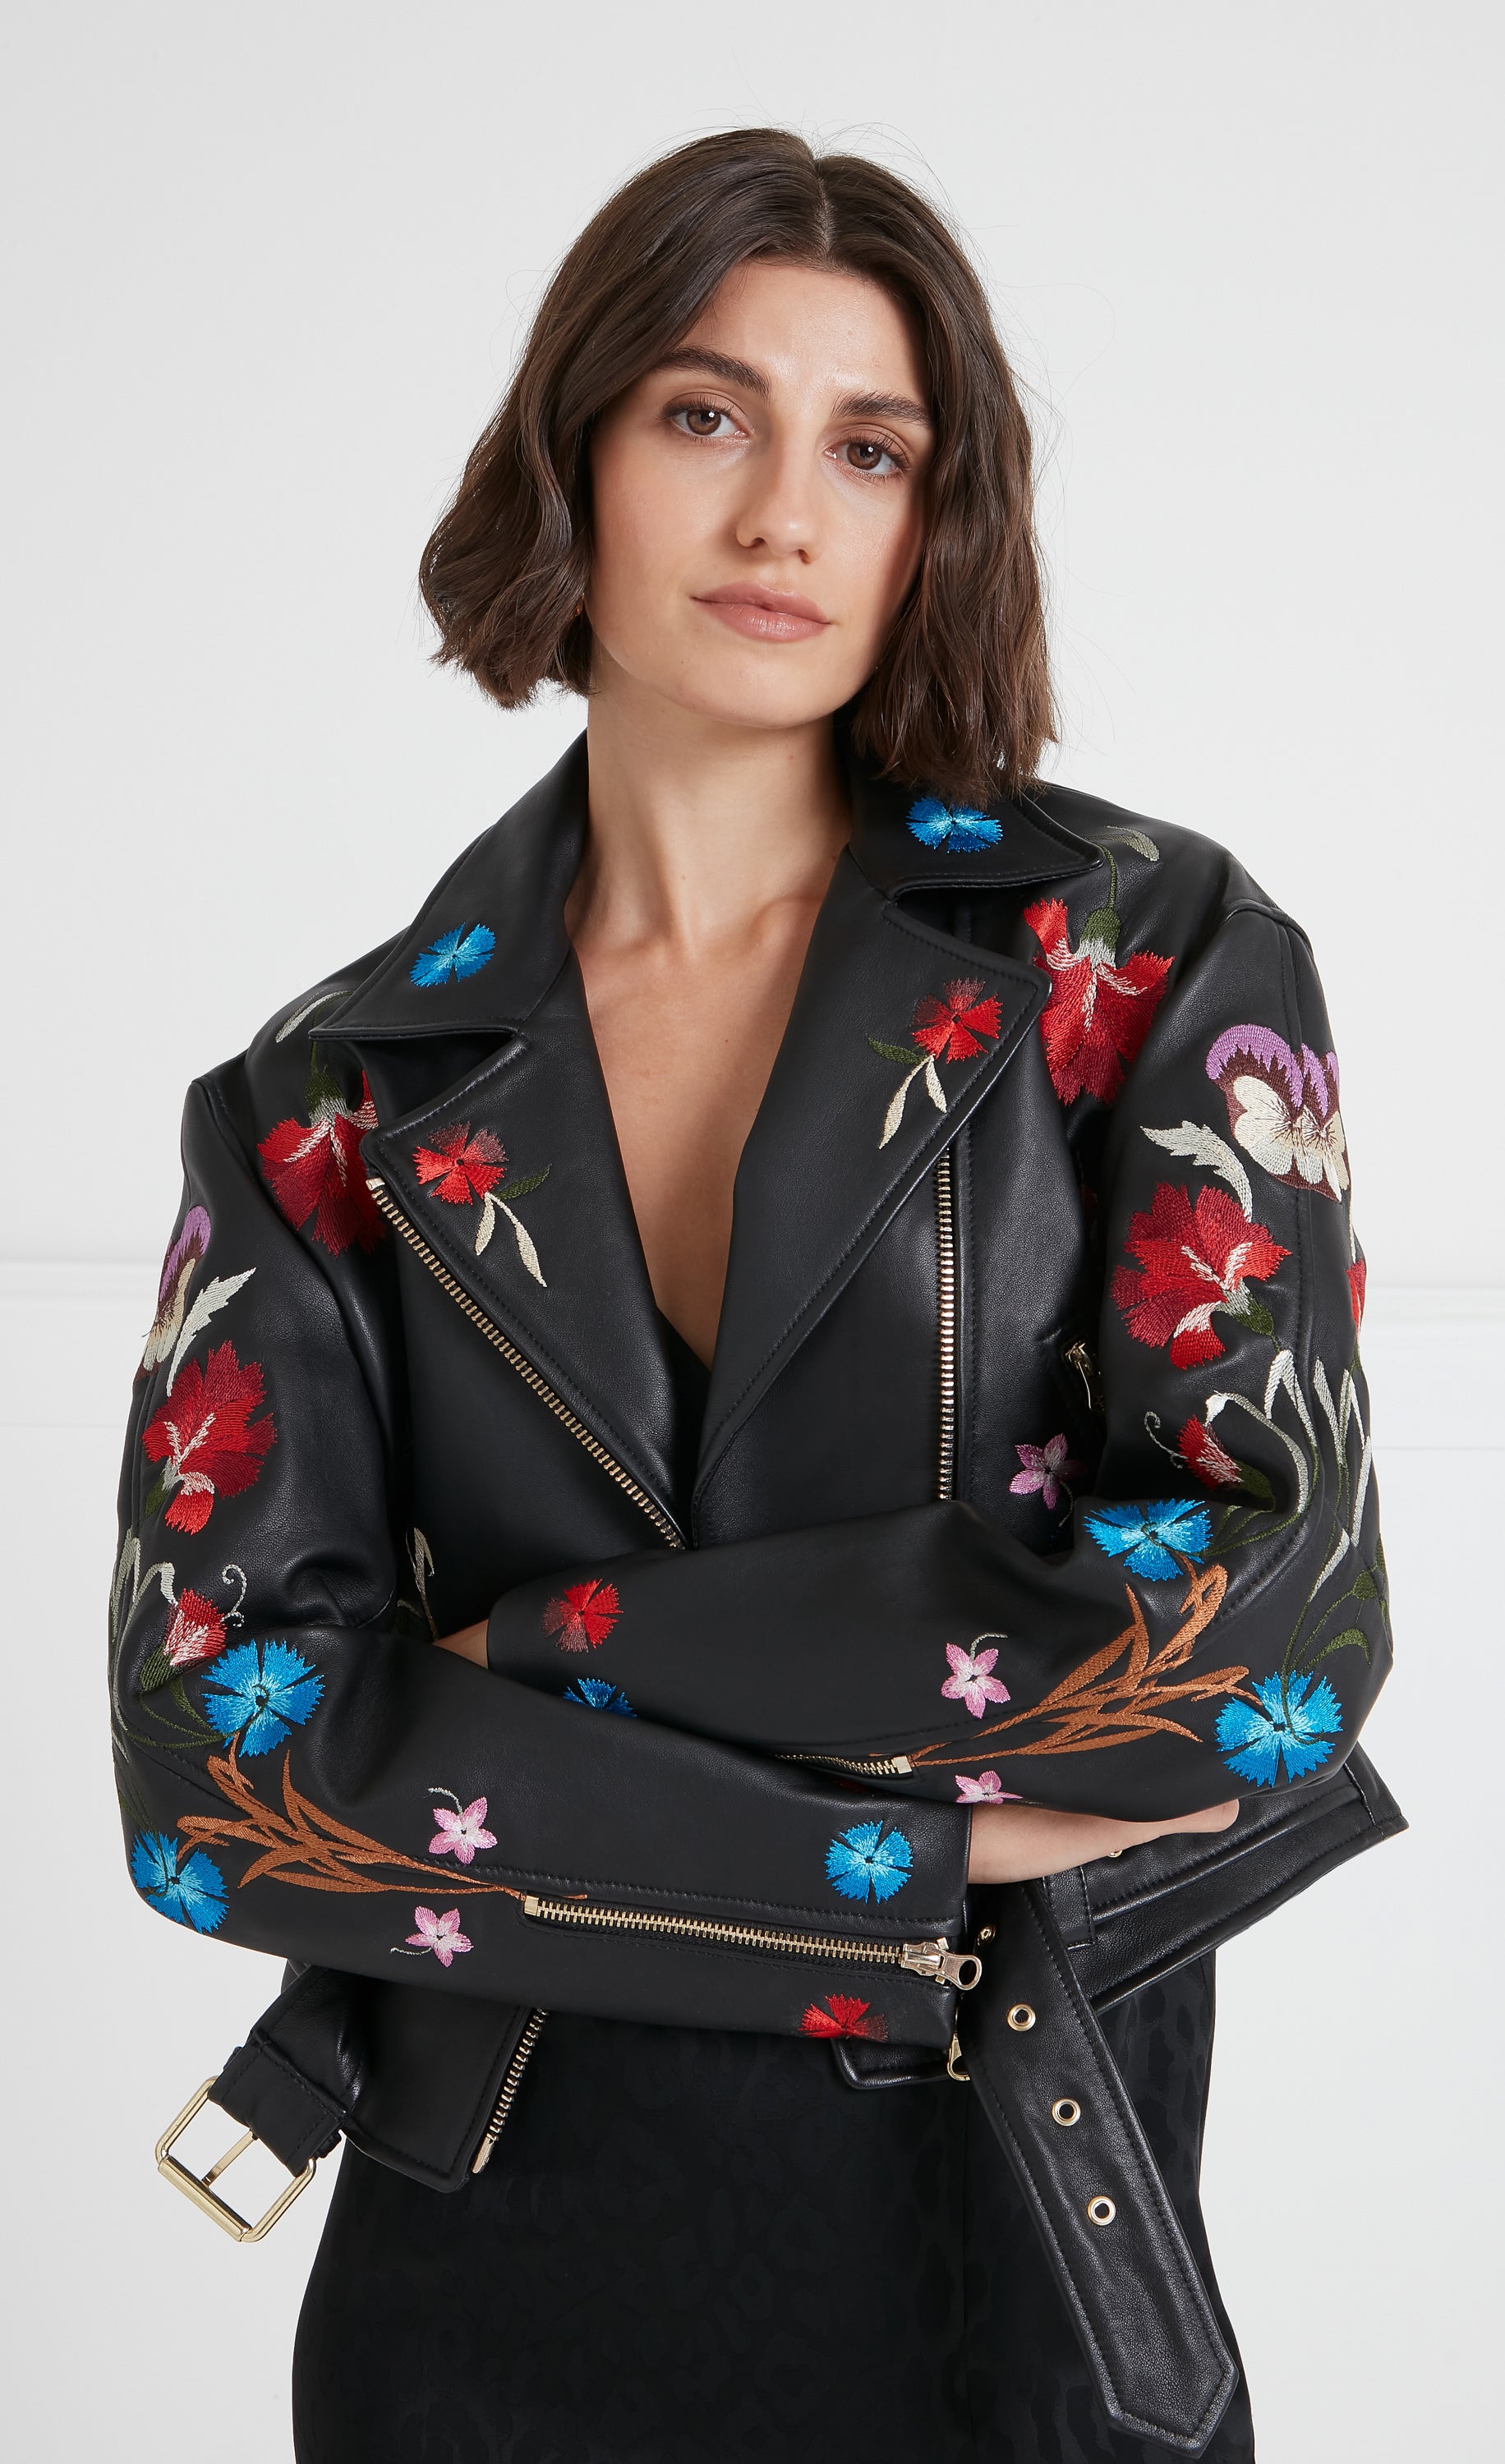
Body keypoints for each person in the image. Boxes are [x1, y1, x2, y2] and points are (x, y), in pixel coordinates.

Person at [112, 129, 1397, 2463]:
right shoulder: (324, 1095)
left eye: (871, 447)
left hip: (1009, 2248)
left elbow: (1266, 1642)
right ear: (575, 455)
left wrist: (522, 1667)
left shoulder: (1140, 963)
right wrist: (904, 1860)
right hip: (476, 2286)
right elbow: (218, 1762)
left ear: (936, 517)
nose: (786, 512)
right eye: (706, 414)